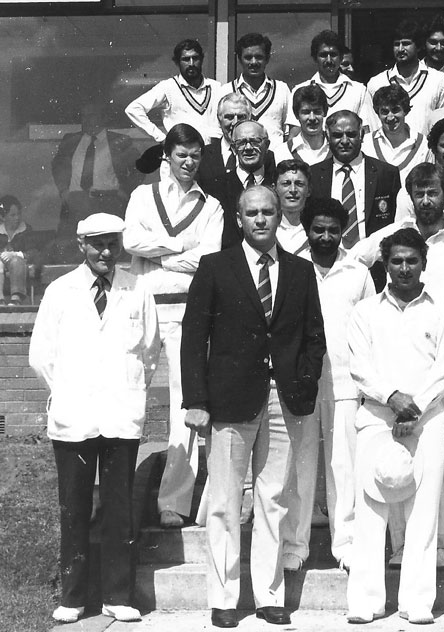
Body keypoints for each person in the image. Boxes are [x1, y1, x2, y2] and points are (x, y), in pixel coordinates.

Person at [181, 185, 326, 629]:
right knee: (224, 501)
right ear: (239, 219)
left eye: (268, 212)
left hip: (283, 400)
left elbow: (313, 337)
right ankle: (224, 598)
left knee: (274, 499)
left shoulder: (301, 271)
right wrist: (197, 401)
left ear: (280, 215)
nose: (260, 220)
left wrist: (300, 386)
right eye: (252, 213)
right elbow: (193, 337)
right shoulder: (215, 267)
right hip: (228, 400)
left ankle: (269, 594)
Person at [30, 213, 160, 625]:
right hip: (75, 416)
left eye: (112, 244)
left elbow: (150, 352)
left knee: (119, 509)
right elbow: (41, 356)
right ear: (81, 245)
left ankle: (117, 595)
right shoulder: (59, 291)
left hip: (120, 414)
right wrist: (70, 391)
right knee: (75, 508)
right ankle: (74, 596)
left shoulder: (137, 289)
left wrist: (126, 389)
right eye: (97, 244)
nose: (106, 252)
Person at [350, 162, 444, 570]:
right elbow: (353, 258)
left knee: (443, 461)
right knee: (393, 461)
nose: (426, 201)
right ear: (409, 195)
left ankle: (441, 545)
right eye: (419, 193)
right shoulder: (392, 235)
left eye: (434, 193)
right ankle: (401, 544)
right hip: (395, 351)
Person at [346, 227, 444, 624]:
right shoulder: (365, 312)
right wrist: (392, 399)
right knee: (371, 513)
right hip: (377, 417)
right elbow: (360, 367)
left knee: (423, 514)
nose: (404, 268)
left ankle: (417, 602)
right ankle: (366, 601)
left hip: (427, 421)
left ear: (424, 265)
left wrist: (416, 408)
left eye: (412, 260)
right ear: (385, 264)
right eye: (396, 261)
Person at [124, 123, 224, 530]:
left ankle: (174, 502)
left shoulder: (212, 206)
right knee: (128, 394)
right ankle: (116, 495)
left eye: (196, 155)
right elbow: (131, 240)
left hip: (188, 312)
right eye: (181, 154)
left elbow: (211, 257)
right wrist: (182, 247)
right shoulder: (141, 196)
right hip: (143, 308)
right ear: (167, 156)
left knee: (187, 404)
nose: (189, 162)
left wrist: (160, 254)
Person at [281, 196, 375, 572]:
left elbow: (371, 326)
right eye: (318, 229)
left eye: (333, 230)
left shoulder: (357, 271)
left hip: (346, 381)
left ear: (343, 231)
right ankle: (294, 545)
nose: (325, 236)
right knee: (300, 464)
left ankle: (347, 543)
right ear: (306, 230)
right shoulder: (290, 267)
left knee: (344, 465)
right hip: (301, 382)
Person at [308, 110, 401, 288]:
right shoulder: (313, 174)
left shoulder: (386, 173)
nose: (344, 141)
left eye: (351, 134)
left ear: (362, 134)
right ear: (327, 137)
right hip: (328, 266)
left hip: (374, 268)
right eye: (337, 135)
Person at [51, 102, 142, 258]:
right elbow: (58, 166)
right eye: (84, 116)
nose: (86, 120)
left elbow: (139, 168)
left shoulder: (119, 141)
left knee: (110, 249)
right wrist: (64, 191)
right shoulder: (71, 140)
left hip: (108, 201)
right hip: (76, 202)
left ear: (103, 118)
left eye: (91, 115)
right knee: (70, 250)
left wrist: (125, 191)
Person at [198, 119, 277, 249]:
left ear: (267, 145)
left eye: (255, 141)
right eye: (241, 143)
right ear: (234, 148)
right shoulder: (214, 188)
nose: (248, 148)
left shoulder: (279, 184)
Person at [126, 39, 221, 145]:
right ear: (177, 62)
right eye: (186, 59)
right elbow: (133, 109)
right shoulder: (168, 87)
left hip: (210, 154)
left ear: (202, 59)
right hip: (180, 155)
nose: (191, 63)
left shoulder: (215, 87)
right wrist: (161, 138)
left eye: (195, 58)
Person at [366, 20, 444, 136]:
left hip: (426, 151)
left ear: (419, 46)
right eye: (396, 44)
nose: (400, 49)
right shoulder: (376, 83)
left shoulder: (438, 80)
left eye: (406, 43)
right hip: (387, 152)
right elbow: (372, 126)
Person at [288, 30, 376, 134]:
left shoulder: (358, 90)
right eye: (323, 55)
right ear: (315, 58)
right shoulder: (300, 90)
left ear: (341, 57)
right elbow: (294, 134)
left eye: (333, 54)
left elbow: (364, 131)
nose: (329, 60)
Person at [215, 33, 291, 153]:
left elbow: (289, 131)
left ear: (267, 58)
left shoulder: (282, 89)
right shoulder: (225, 91)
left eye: (259, 57)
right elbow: (217, 132)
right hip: (237, 161)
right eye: (248, 57)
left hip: (275, 162)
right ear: (239, 59)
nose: (254, 62)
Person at [362, 85, 430, 183]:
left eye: (395, 110)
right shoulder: (366, 144)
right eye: (384, 112)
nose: (390, 117)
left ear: (405, 111)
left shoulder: (423, 144)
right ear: (378, 113)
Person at [278, 85, 331, 166]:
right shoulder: (283, 152)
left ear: (325, 112)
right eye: (306, 112)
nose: (312, 118)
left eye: (317, 111)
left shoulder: (335, 148)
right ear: (296, 114)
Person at [0, 195, 37, 305]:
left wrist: (15, 254)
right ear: (3, 217)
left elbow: (33, 252)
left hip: (19, 266)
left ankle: (16, 298)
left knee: (16, 261)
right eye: (12, 215)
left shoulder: (26, 230)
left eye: (18, 214)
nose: (17, 218)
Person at [273, 159, 312, 255]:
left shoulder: (316, 229)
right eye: (286, 183)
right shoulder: (267, 227)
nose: (293, 190)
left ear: (309, 190)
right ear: (274, 189)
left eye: (299, 184)